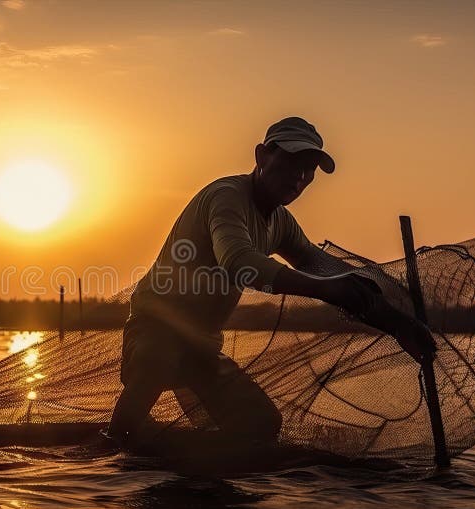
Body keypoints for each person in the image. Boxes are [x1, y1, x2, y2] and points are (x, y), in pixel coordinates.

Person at [107, 116, 436, 446]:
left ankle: (182, 464)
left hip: (200, 347)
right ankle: (112, 446)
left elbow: (328, 271)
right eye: (292, 162)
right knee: (160, 360)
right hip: (153, 330)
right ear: (262, 156)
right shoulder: (227, 196)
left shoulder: (281, 222)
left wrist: (398, 324)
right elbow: (237, 261)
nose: (300, 177)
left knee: (261, 424)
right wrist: (326, 288)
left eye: (309, 169)